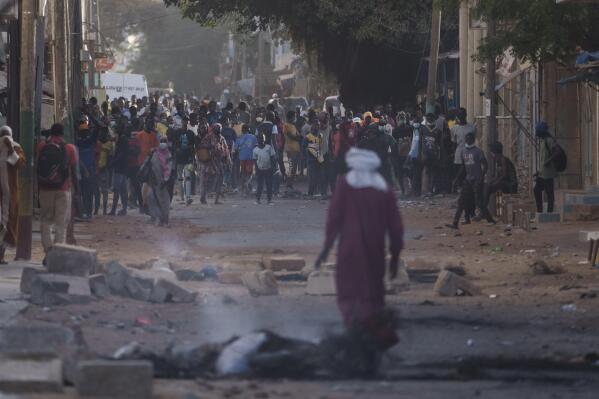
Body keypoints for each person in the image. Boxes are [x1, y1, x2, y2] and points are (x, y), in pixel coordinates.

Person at [315, 147, 403, 351]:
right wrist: (395, 258)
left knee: (347, 290)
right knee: (373, 290)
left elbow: (333, 219)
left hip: (349, 249)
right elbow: (396, 228)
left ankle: (354, 328)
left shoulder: (345, 185)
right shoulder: (384, 189)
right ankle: (374, 330)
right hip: (376, 250)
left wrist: (325, 250)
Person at [36, 123, 78, 259]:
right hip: (63, 189)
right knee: (61, 224)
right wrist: (77, 191)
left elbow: (38, 165)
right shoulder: (69, 148)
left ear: (51, 133)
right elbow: (74, 172)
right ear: (63, 133)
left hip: (45, 189)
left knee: (45, 221)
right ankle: (58, 254)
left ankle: (48, 251)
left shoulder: (42, 146)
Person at [447, 132, 489, 229]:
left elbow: (485, 165)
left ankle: (489, 219)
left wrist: (482, 176)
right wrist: (457, 178)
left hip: (476, 180)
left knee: (478, 202)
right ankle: (455, 222)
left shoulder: (478, 151)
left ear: (473, 140)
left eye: (469, 139)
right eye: (466, 138)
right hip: (468, 180)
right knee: (462, 201)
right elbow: (463, 167)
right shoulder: (463, 151)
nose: (467, 140)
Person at [0, 126, 25, 263]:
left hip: (10, 194)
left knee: (7, 224)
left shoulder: (16, 148)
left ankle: (1, 255)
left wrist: (10, 149)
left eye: (6, 136)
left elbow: (20, 163)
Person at [483, 142, 518, 217]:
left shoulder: (503, 160)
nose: (491, 154)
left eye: (491, 151)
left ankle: (483, 211)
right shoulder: (498, 161)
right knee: (487, 186)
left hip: (510, 185)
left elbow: (504, 175)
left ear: (495, 152)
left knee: (489, 187)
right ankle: (483, 210)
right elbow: (497, 176)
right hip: (504, 183)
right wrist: (491, 182)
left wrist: (494, 184)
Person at [143, 137, 173, 226]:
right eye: (161, 141)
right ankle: (155, 217)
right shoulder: (154, 153)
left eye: (165, 142)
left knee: (164, 201)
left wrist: (165, 180)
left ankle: (165, 220)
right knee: (150, 197)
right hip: (152, 180)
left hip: (162, 182)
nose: (163, 143)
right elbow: (147, 164)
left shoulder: (169, 155)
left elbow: (168, 169)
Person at [75, 120, 99, 220]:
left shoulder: (91, 140)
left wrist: (89, 114)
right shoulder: (77, 142)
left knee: (88, 193)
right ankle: (82, 212)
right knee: (81, 192)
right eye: (83, 131)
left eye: (86, 131)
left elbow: (98, 126)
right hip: (80, 171)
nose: (85, 133)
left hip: (90, 170)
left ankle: (88, 213)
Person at [534, 121, 558, 213]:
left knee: (549, 194)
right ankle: (540, 210)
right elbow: (542, 159)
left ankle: (550, 212)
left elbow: (557, 152)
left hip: (548, 173)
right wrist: (538, 171)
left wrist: (549, 160)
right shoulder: (543, 141)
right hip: (542, 173)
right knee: (536, 190)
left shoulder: (549, 140)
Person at [173, 117, 196, 205]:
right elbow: (174, 145)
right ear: (182, 122)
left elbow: (193, 147)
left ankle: (188, 197)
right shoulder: (177, 132)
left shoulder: (191, 133)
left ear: (188, 122)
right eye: (184, 121)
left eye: (186, 121)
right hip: (179, 158)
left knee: (188, 177)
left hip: (188, 159)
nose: (185, 122)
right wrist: (176, 151)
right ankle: (182, 197)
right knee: (180, 178)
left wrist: (193, 158)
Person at [450, 107, 476, 181]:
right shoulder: (454, 128)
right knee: (459, 173)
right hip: (459, 154)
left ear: (465, 115)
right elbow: (453, 143)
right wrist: (454, 154)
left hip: (469, 154)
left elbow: (474, 139)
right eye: (459, 114)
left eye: (462, 114)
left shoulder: (472, 127)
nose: (461, 116)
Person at [109, 129, 130, 216]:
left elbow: (121, 154)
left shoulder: (121, 140)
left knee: (117, 190)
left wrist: (112, 162)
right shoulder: (124, 139)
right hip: (124, 168)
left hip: (119, 168)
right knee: (123, 190)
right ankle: (124, 209)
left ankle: (113, 210)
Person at [234, 124, 258, 195]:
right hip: (250, 157)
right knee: (249, 173)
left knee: (243, 172)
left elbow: (235, 149)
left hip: (242, 157)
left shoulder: (239, 138)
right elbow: (256, 146)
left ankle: (243, 188)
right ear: (248, 129)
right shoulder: (253, 137)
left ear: (242, 130)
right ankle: (246, 184)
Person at [253, 134, 277, 204]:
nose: (261, 140)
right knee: (260, 185)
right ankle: (258, 199)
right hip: (260, 169)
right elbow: (255, 161)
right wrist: (256, 170)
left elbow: (273, 158)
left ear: (264, 139)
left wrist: (273, 168)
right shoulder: (255, 150)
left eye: (262, 138)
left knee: (269, 185)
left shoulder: (269, 147)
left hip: (268, 169)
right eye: (260, 139)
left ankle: (269, 200)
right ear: (257, 140)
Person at [304, 124, 325, 197]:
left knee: (319, 176)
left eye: (317, 127)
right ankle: (311, 192)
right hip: (311, 160)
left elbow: (321, 147)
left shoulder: (320, 136)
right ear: (312, 128)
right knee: (312, 177)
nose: (316, 128)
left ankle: (318, 192)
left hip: (319, 159)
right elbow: (305, 148)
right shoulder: (308, 137)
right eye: (315, 127)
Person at [284, 110, 302, 189]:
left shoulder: (293, 126)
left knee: (294, 168)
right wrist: (298, 138)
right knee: (291, 167)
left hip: (296, 149)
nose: (295, 118)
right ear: (290, 117)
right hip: (290, 149)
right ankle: (288, 184)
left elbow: (299, 136)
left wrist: (297, 137)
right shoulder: (286, 125)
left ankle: (290, 184)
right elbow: (291, 136)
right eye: (294, 116)